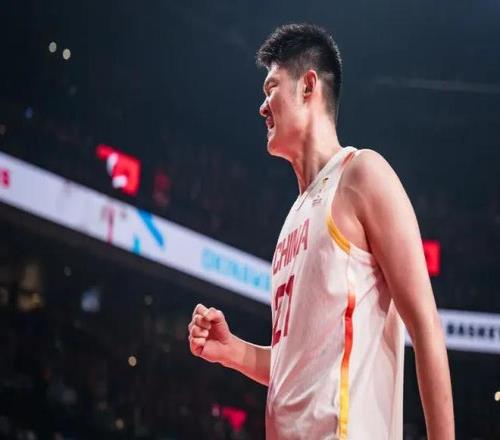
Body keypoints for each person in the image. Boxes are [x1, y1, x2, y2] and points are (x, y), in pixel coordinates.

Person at [188, 23, 454, 439]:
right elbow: (298, 366)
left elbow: (425, 326)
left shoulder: (362, 174)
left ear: (308, 86)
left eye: (271, 88)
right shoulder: (292, 220)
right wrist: (233, 351)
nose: (262, 107)